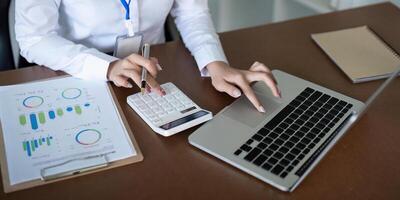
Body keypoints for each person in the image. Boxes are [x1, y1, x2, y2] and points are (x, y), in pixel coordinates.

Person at [15, 0, 280, 113]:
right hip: (76, 69)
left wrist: (215, 62)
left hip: (155, 68)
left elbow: (191, 12)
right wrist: (106, 67)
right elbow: (33, 38)